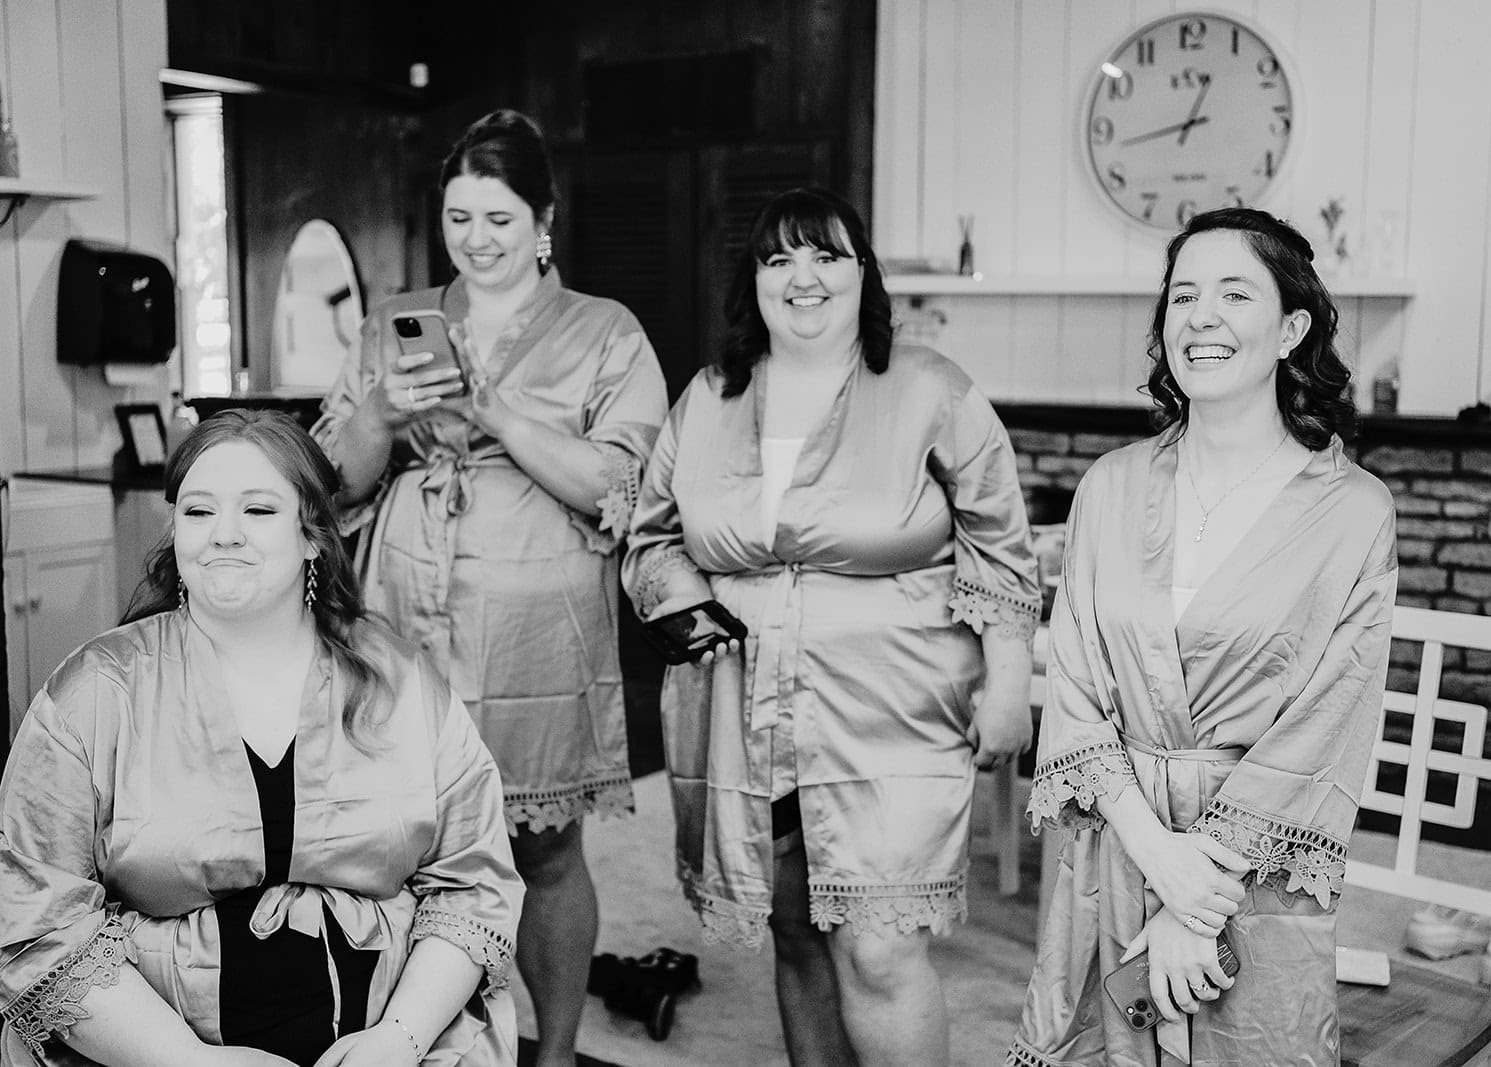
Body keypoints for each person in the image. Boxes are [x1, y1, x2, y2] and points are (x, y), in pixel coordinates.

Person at [623, 187, 1041, 1067]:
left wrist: (1009, 682)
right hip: (744, 707)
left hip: (895, 701)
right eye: (778, 259)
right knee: (796, 927)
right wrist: (682, 605)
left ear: (864, 275)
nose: (801, 276)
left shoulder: (930, 387)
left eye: (825, 255)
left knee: (879, 941)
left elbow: (1001, 544)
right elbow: (652, 537)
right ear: (755, 282)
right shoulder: (708, 397)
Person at [0, 410, 522, 1067]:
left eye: (257, 509)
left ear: (312, 536)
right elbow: (35, 920)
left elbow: (473, 884)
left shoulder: (402, 682)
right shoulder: (95, 691)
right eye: (197, 511)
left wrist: (400, 1039)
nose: (223, 535)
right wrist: (191, 1063)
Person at [313, 110, 668, 1066]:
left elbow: (621, 484)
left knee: (541, 846)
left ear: (544, 219)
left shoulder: (605, 331)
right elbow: (335, 480)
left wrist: (495, 410)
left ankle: (550, 1051)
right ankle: (419, 1039)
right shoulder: (396, 321)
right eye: (459, 217)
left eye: (499, 219)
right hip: (403, 601)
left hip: (535, 617)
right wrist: (382, 415)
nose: (475, 239)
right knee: (399, 841)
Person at [1008, 207, 1399, 1066]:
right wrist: (1158, 857)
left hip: (1253, 872)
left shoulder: (1354, 512)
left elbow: (1326, 724)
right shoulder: (1108, 487)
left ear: (1292, 327)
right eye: (1182, 295)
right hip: (1115, 842)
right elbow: (1073, 687)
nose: (1200, 316)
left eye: (1233, 292)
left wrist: (1196, 895)